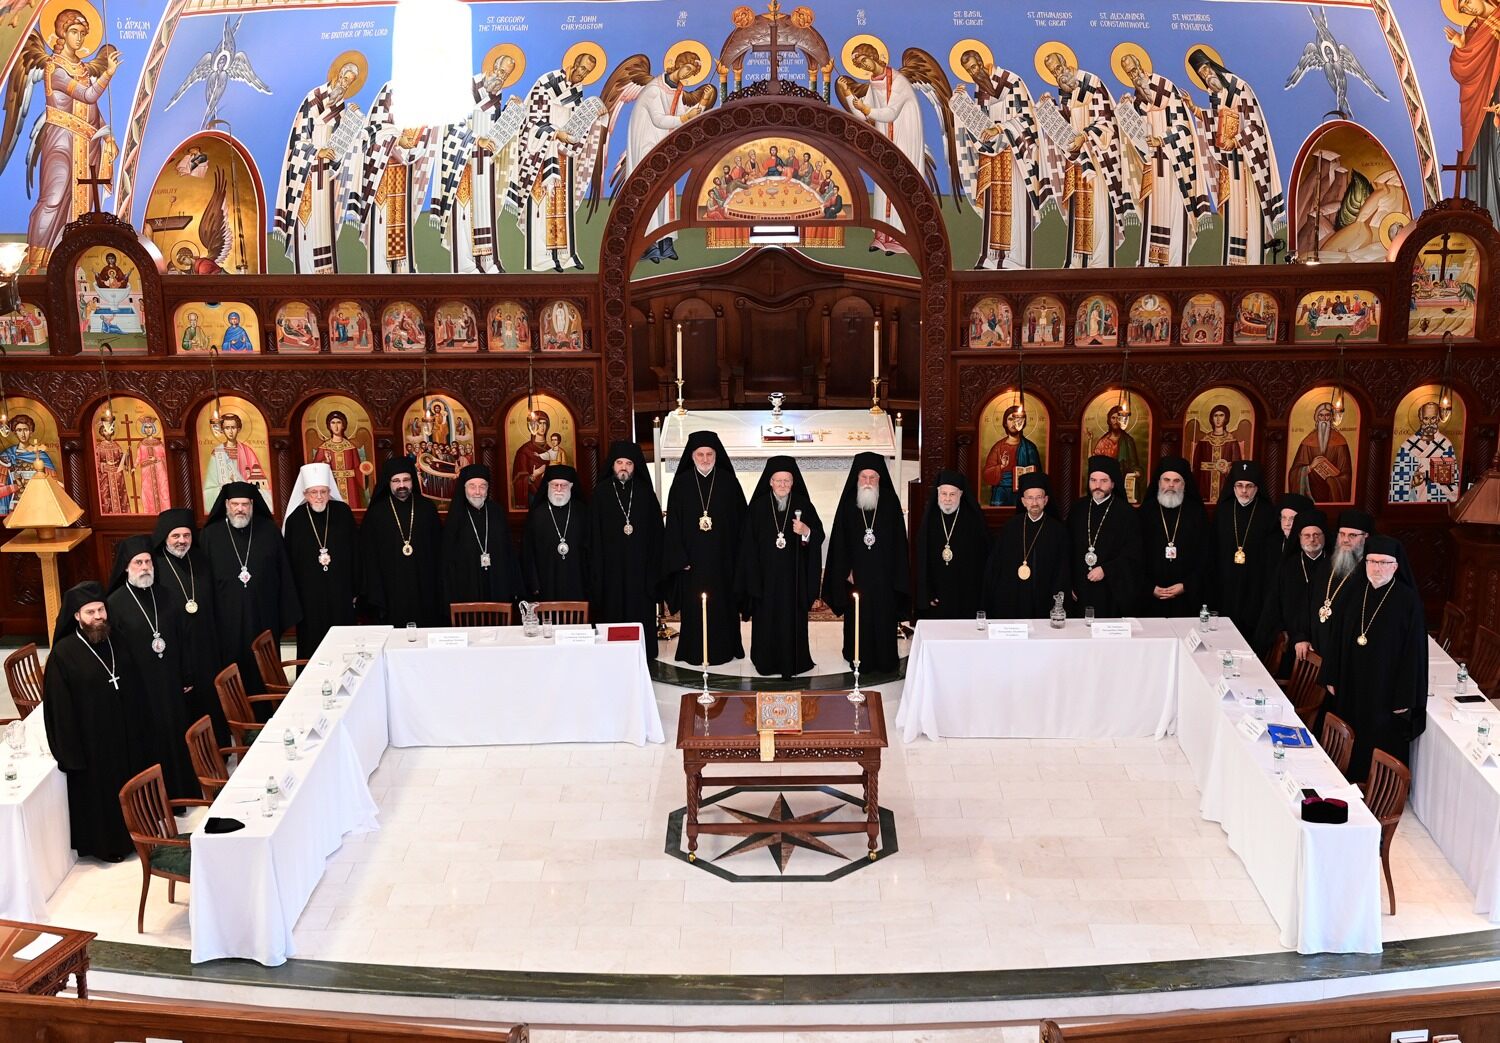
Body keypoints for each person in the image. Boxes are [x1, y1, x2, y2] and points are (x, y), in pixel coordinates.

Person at [42, 582, 153, 861]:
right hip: (92, 741)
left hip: (126, 734)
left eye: (101, 610)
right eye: (90, 612)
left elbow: (136, 682)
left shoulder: (116, 639)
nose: (98, 617)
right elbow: (59, 708)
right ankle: (108, 847)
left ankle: (139, 835)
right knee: (102, 795)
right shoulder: (63, 654)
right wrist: (70, 751)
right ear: (76, 616)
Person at [1319, 535, 1427, 782]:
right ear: (1365, 562)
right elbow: (1336, 637)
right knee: (1352, 732)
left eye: (1383, 563)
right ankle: (1349, 779)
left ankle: (1380, 787)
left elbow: (1414, 653)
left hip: (1386, 688)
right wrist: (1331, 675)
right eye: (1372, 561)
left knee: (1381, 737)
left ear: (1395, 566)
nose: (1377, 568)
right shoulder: (1353, 592)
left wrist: (1406, 696)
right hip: (1351, 681)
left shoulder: (1408, 601)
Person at [106, 536, 195, 800]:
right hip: (140, 687)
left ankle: (181, 792)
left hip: (170, 681)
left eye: (148, 562)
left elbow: (182, 637)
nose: (144, 567)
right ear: (126, 567)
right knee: (149, 738)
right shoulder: (115, 604)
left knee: (175, 733)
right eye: (138, 563)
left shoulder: (167, 595)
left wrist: (186, 673)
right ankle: (154, 799)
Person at [951, 47, 1056, 269]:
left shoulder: (1011, 82)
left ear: (982, 62)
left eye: (974, 67)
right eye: (969, 71)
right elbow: (978, 123)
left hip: (1015, 155)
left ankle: (1015, 259)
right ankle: (993, 257)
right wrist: (961, 102)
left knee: (1014, 207)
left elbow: (1027, 118)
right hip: (992, 156)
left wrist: (1000, 129)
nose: (973, 73)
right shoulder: (980, 90)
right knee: (994, 207)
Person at [199, 481, 301, 694]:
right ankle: (236, 708)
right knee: (232, 665)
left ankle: (269, 706)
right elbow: (203, 581)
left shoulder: (269, 531)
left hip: (264, 614)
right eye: (235, 504)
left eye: (245, 504)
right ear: (226, 504)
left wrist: (285, 610)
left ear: (252, 505)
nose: (240, 509)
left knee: (264, 664)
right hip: (227, 619)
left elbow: (283, 572)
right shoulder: (210, 535)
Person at [507, 50, 603, 272]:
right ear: (573, 64)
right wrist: (557, 134)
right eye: (582, 69)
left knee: (561, 205)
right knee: (541, 206)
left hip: (563, 155)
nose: (583, 74)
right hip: (540, 153)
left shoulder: (577, 92)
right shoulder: (547, 82)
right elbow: (532, 119)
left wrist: (595, 117)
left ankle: (565, 254)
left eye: (588, 72)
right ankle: (541, 257)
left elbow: (578, 123)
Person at [1187, 47, 1286, 265]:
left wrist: (1237, 140)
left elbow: (1256, 125)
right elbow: (1215, 122)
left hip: (1247, 165)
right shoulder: (1215, 95)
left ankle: (1254, 261)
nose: (1206, 75)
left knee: (1251, 214)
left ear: (1213, 65)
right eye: (1201, 74)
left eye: (1206, 69)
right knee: (1234, 217)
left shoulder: (1240, 88)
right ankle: (1234, 265)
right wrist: (1195, 110)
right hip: (1230, 168)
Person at [662, 432, 747, 666]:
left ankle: (726, 649)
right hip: (693, 562)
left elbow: (742, 522)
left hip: (723, 560)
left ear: (716, 456)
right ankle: (693, 650)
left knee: (723, 605)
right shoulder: (681, 483)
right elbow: (673, 524)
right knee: (694, 606)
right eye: (700, 454)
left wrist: (737, 556)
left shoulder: (728, 482)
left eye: (710, 454)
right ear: (692, 456)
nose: (705, 459)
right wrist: (679, 557)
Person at [273, 58, 363, 274]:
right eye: (344, 78)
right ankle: (304, 276)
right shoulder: (313, 99)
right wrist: (317, 152)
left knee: (322, 228)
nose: (345, 84)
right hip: (306, 174)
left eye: (350, 82)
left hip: (326, 179)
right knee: (306, 227)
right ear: (337, 75)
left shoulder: (341, 108)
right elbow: (298, 140)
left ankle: (323, 278)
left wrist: (351, 119)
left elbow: (340, 146)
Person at [736, 456, 824, 677]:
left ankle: (796, 660)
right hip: (765, 578)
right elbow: (747, 545)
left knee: (792, 619)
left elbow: (818, 535)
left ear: (793, 482)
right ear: (770, 482)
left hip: (794, 578)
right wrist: (752, 578)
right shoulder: (757, 507)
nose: (783, 485)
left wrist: (806, 531)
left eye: (787, 481)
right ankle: (764, 661)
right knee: (766, 619)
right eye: (778, 480)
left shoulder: (803, 505)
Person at [822, 452, 910, 672]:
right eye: (864, 477)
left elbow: (899, 541)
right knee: (858, 616)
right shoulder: (848, 503)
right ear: (857, 478)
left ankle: (885, 658)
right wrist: (845, 570)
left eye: (873, 477)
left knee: (884, 615)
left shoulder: (890, 501)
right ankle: (856, 655)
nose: (868, 482)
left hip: (884, 574)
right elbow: (840, 541)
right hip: (857, 574)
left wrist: (896, 571)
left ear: (880, 479)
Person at [433, 52, 520, 274]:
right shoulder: (467, 88)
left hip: (483, 165)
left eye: (506, 75)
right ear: (491, 67)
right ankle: (465, 265)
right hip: (460, 161)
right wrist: (475, 139)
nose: (501, 77)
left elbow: (496, 131)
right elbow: (451, 123)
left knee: (482, 212)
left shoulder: (496, 97)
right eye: (500, 71)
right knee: (463, 211)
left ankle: (487, 262)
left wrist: (511, 111)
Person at [626, 49, 709, 263]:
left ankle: (666, 242)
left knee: (666, 192)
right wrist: (684, 118)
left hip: (663, 146)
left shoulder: (677, 90)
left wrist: (701, 105)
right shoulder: (654, 89)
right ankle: (648, 245)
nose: (688, 74)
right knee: (650, 194)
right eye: (688, 68)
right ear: (678, 64)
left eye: (692, 72)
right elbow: (660, 120)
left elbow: (682, 118)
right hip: (646, 146)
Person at [151, 508, 227, 743]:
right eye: (176, 536)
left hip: (206, 644)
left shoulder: (200, 560)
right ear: (165, 537)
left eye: (186, 535)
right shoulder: (156, 566)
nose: (182, 541)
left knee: (210, 697)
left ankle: (217, 747)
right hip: (177, 649)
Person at [590, 441, 663, 658]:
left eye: (629, 463)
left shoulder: (645, 493)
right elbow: (593, 537)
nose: (624, 467)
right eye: (619, 462)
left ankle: (642, 653)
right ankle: (613, 655)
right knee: (612, 613)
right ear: (612, 465)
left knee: (640, 612)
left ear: (635, 466)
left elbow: (657, 535)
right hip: (611, 572)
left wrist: (653, 569)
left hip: (640, 572)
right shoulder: (601, 493)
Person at [283, 462, 359, 660]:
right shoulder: (295, 520)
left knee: (344, 644)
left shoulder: (343, 513)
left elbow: (356, 553)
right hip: (309, 599)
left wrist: (356, 589)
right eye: (313, 492)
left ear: (329, 492)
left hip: (341, 594)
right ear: (305, 494)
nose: (318, 497)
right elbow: (289, 563)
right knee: (312, 645)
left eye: (323, 492)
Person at [360, 458, 445, 627]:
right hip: (389, 586)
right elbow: (368, 556)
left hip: (423, 584)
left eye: (406, 480)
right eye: (396, 481)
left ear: (413, 480)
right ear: (388, 482)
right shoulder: (376, 513)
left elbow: (439, 551)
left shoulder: (427, 508)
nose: (401, 485)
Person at [983, 472, 1068, 618]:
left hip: (1045, 598)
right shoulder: (1011, 527)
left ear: (1046, 500)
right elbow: (998, 565)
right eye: (1030, 498)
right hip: (1015, 598)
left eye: (1039, 497)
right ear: (1023, 501)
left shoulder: (1058, 531)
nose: (1034, 503)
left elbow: (1062, 569)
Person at [1254, 509, 1327, 677]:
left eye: (1316, 535)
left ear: (1324, 537)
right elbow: (1276, 606)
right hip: (1292, 639)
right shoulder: (1288, 566)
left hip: (1322, 641)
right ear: (1299, 537)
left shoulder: (1334, 566)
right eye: (1306, 535)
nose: (1312, 539)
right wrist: (1296, 635)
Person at [1211, 460, 1279, 636]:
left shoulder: (1268, 513)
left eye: (1249, 486)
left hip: (1255, 584)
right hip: (1224, 582)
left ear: (1257, 488)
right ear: (1233, 487)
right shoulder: (1223, 510)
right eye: (1239, 485)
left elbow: (1271, 555)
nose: (1244, 491)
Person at [1069, 455, 1141, 617]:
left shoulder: (1126, 513)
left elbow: (1133, 554)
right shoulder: (1077, 510)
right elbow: (1067, 550)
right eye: (1093, 480)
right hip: (1081, 588)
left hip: (1111, 590)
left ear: (1113, 484)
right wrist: (1070, 583)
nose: (1097, 486)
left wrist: (1106, 569)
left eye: (1103, 481)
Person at [1138, 456, 1210, 617]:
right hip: (1151, 596)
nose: (1171, 485)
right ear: (1159, 483)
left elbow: (1205, 555)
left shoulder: (1196, 513)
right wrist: (1149, 587)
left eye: (1176, 481)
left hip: (1187, 597)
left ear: (1184, 485)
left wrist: (1186, 585)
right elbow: (1134, 555)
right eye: (1166, 480)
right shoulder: (1145, 512)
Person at [443, 463, 518, 611]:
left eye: (482, 486)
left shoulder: (497, 512)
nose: (477, 492)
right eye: (472, 486)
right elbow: (447, 560)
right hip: (467, 585)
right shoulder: (456, 516)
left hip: (497, 582)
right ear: (464, 488)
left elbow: (509, 551)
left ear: (488, 488)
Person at [915, 470, 987, 619]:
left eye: (952, 494)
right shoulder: (930, 519)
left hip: (966, 595)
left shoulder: (972, 520)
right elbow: (922, 559)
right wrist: (926, 592)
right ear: (938, 493)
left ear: (960, 494)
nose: (947, 499)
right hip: (937, 596)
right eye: (944, 493)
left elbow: (981, 560)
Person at [1309, 508, 1373, 655]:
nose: (1345, 540)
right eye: (1342, 534)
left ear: (1366, 537)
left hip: (1347, 649)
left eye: (1352, 535)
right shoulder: (1326, 565)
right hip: (1317, 646)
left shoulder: (1369, 572)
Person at [1288, 401, 1353, 502]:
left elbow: (1346, 474)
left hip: (1331, 492)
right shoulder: (1308, 440)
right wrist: (1309, 467)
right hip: (1311, 493)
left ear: (1331, 417)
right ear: (1316, 417)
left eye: (1327, 415)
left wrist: (1332, 481)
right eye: (1321, 415)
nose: (1324, 419)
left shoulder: (1340, 441)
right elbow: (1294, 472)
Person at [982, 404, 1040, 506]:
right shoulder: (998, 447)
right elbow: (987, 475)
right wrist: (1001, 466)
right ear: (1005, 423)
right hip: (1001, 492)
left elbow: (1038, 476)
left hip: (1023, 492)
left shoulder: (1029, 447)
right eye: (1010, 419)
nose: (1014, 423)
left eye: (1018, 420)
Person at [1275, 492, 1315, 559]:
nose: (1287, 524)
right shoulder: (1272, 544)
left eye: (1292, 519)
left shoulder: (1312, 545)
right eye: (1284, 518)